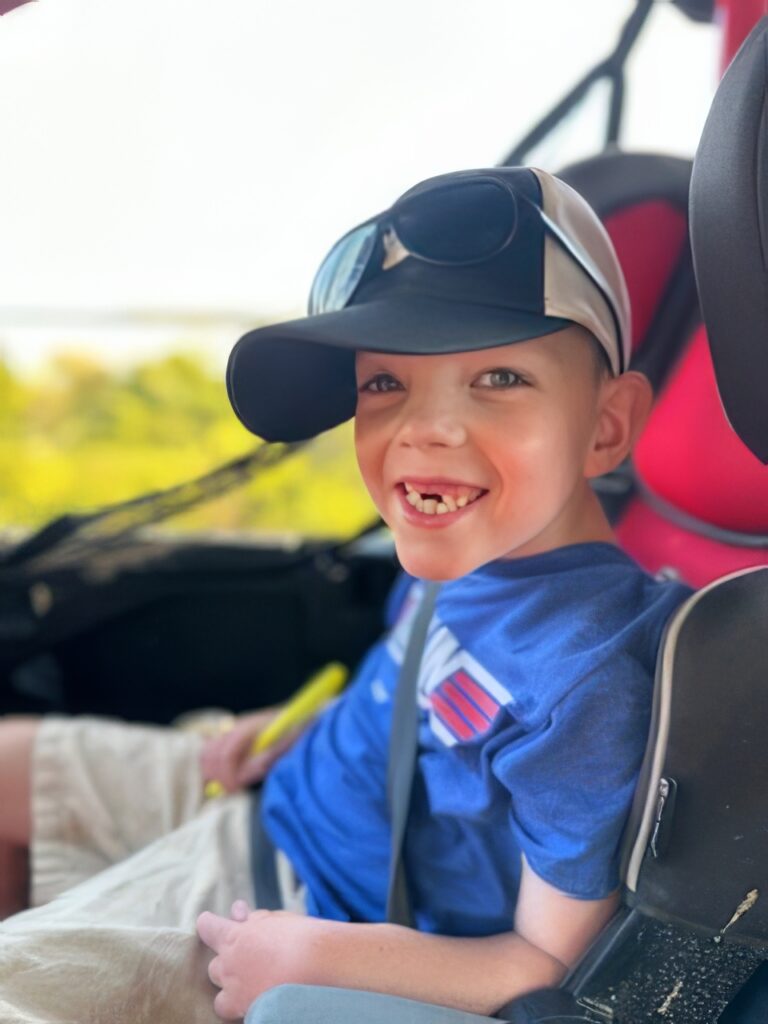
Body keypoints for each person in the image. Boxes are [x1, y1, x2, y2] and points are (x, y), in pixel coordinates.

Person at [0, 167, 692, 1024]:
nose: (422, 430)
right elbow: (414, 693)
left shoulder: (584, 680)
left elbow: (549, 965)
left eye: (499, 378)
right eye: (384, 384)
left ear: (606, 426)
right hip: (279, 790)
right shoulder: (463, 541)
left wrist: (316, 957)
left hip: (303, 907)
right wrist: (296, 725)